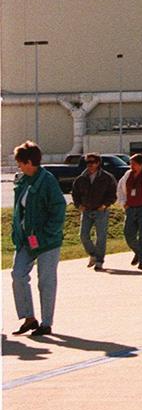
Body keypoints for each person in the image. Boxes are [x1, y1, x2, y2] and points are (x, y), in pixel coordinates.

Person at [11, 141, 66, 337]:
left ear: (29, 162)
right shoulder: (23, 181)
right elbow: (20, 211)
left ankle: (46, 323)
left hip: (47, 241)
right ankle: (29, 317)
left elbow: (59, 209)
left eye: (20, 163)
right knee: (18, 275)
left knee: (46, 281)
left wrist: (46, 234)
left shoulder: (47, 180)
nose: (18, 167)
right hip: (26, 240)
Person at [71, 153, 116, 271]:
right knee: (83, 236)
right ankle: (93, 254)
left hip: (101, 211)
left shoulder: (106, 178)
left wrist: (105, 205)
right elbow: (75, 194)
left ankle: (99, 261)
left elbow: (112, 194)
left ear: (98, 163)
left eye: (92, 162)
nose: (89, 165)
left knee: (101, 237)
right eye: (87, 163)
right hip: (86, 210)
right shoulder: (81, 178)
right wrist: (78, 205)